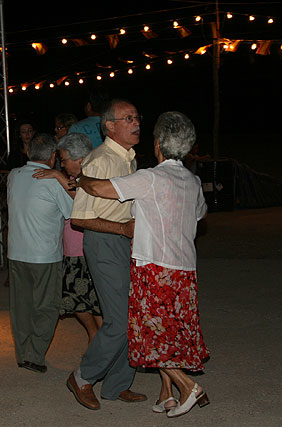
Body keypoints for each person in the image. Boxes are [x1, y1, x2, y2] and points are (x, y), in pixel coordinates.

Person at [76, 111, 210, 418]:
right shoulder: (192, 181)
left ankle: (188, 386)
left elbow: (99, 189)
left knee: (150, 333)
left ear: (159, 144)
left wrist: (79, 177)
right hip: (185, 271)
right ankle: (166, 395)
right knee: (170, 331)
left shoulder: (150, 178)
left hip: (155, 268)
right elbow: (200, 214)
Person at [65, 99, 146, 410]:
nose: (136, 123)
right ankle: (82, 376)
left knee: (132, 316)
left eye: (137, 117)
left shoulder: (129, 159)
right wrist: (122, 229)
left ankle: (117, 384)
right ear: (110, 126)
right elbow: (79, 218)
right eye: (128, 118)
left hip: (123, 242)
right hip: (104, 241)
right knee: (118, 320)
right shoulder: (100, 160)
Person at [6, 133, 74, 373]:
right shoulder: (53, 181)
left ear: (28, 152)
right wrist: (62, 177)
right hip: (44, 254)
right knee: (46, 306)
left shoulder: (14, 175)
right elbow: (75, 208)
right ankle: (35, 355)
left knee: (21, 306)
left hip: (16, 251)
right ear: (54, 156)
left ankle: (22, 353)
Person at [32, 133, 102, 344]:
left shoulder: (93, 179)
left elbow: (82, 198)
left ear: (79, 159)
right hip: (72, 250)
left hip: (88, 249)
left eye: (64, 160)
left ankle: (102, 341)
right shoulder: (71, 180)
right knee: (75, 299)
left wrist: (57, 175)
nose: (61, 165)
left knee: (94, 301)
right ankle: (95, 336)